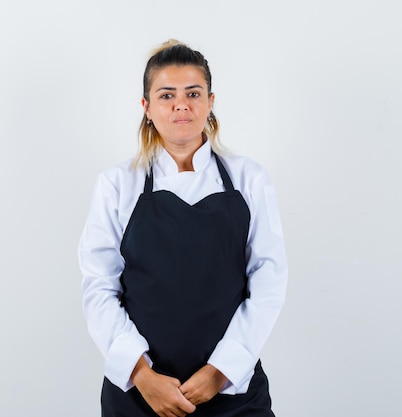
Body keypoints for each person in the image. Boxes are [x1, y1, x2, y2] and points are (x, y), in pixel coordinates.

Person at [78, 39, 288, 417]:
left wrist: (219, 372)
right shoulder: (117, 184)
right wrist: (142, 375)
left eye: (193, 93)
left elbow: (269, 282)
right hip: (139, 396)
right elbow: (99, 288)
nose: (181, 105)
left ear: (210, 102)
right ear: (146, 108)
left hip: (234, 393)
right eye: (166, 95)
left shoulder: (250, 180)